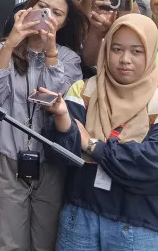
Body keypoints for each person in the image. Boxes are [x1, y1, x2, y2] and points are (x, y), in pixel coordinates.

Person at [0, 0, 87, 251]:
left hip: (49, 163)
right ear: (29, 8)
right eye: (42, 7)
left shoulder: (69, 60)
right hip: (5, 157)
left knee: (46, 240)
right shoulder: (0, 51)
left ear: (64, 22)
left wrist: (50, 51)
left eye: (57, 13)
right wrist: (12, 41)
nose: (48, 16)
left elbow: (57, 101)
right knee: (7, 239)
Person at [41, 14, 158, 250]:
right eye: (116, 49)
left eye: (137, 51)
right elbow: (60, 156)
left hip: (137, 226)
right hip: (80, 217)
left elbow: (150, 165)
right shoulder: (84, 89)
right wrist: (63, 119)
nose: (125, 59)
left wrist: (92, 145)